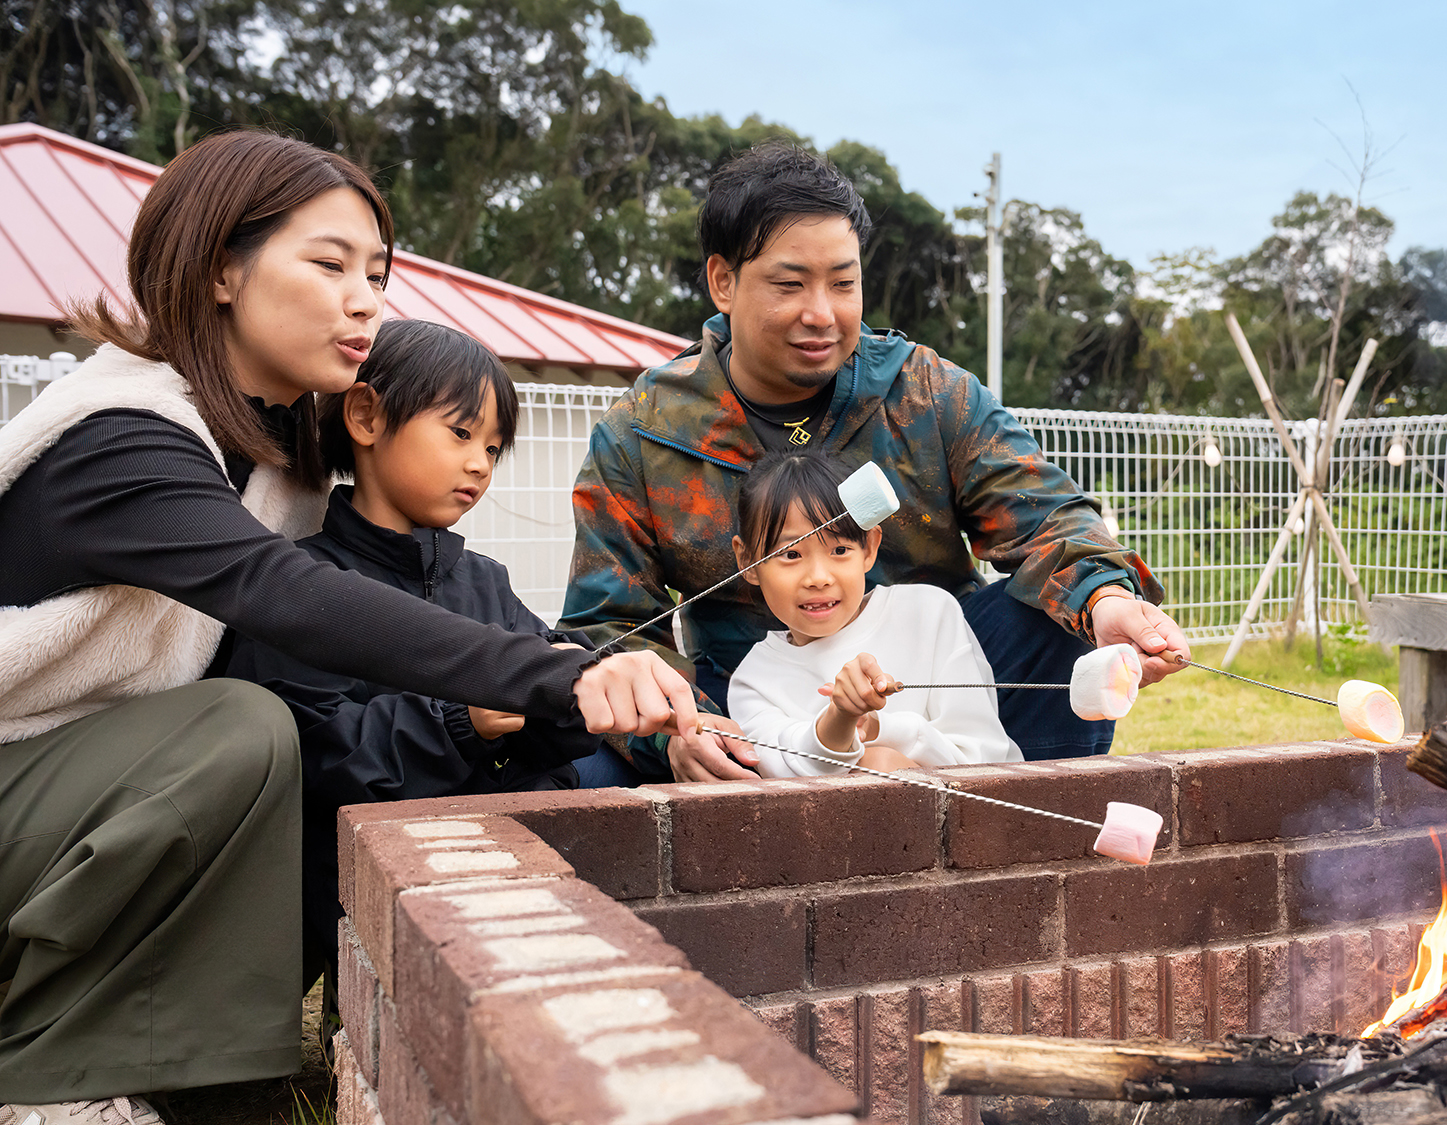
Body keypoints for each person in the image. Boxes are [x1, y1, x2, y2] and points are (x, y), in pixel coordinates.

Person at [0, 130, 710, 1122]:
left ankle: (193, 1080)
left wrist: (615, 685)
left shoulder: (276, 449)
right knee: (247, 730)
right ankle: (41, 1074)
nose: (365, 299)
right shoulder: (123, 441)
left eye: (376, 272)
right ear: (217, 269)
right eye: (328, 264)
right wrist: (545, 681)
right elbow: (283, 591)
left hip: (87, 790)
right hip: (27, 782)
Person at [563, 141, 1190, 782]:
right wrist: (681, 729)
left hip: (941, 683)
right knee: (579, 756)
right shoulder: (644, 433)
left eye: (843, 283)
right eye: (789, 284)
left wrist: (1106, 599)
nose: (822, 314)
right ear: (723, 281)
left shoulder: (928, 393)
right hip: (754, 709)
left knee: (1060, 618)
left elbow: (1047, 518)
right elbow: (607, 628)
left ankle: (1021, 843)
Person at [223, 319, 616, 968]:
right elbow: (313, 757)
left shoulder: (485, 580)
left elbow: (544, 718)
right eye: (461, 433)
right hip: (367, 905)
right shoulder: (301, 584)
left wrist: (582, 687)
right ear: (367, 415)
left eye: (493, 448)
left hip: (501, 884)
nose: (478, 464)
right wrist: (462, 724)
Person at [726, 450, 1021, 777]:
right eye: (791, 554)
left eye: (840, 550)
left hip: (971, 819)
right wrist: (840, 717)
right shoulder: (753, 681)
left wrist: (885, 729)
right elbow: (790, 772)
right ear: (747, 560)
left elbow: (986, 758)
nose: (819, 577)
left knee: (878, 765)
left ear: (869, 548)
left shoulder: (928, 614)